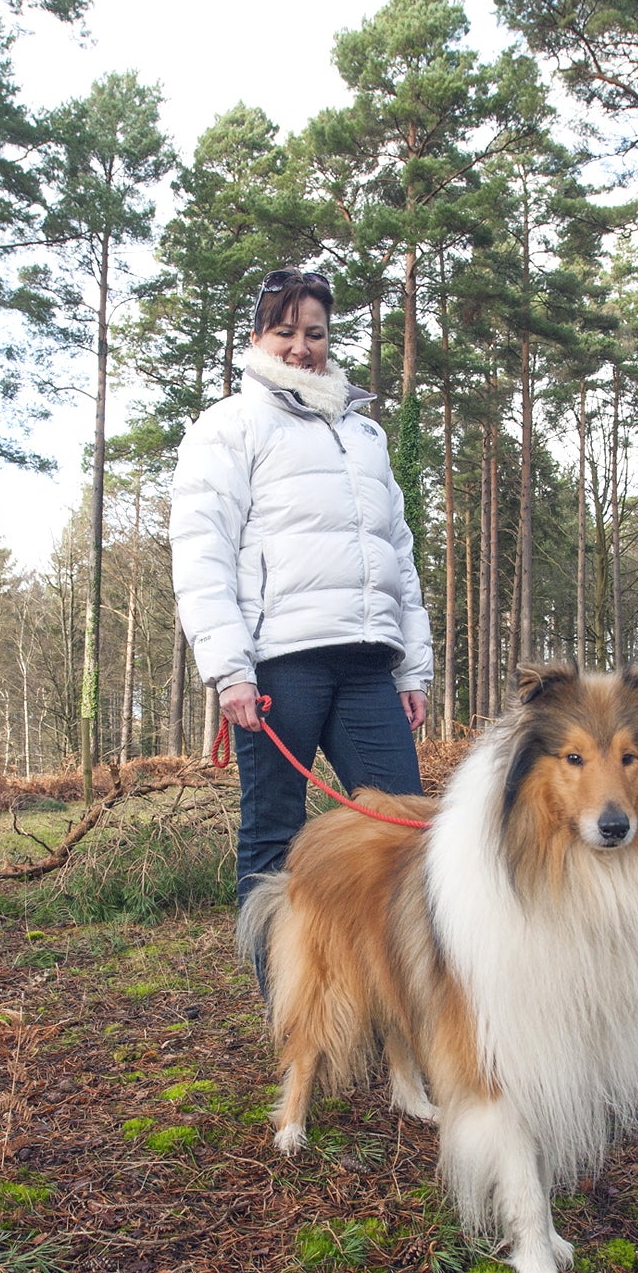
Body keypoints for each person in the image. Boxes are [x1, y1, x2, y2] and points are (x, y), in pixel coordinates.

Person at [170, 267, 432, 924]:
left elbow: (396, 552)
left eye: (313, 333)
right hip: (279, 668)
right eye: (284, 331)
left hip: (369, 665)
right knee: (274, 838)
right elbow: (203, 551)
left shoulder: (364, 435)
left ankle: (390, 1002)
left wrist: (411, 667)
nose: (300, 346)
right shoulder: (228, 425)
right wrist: (230, 669)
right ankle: (288, 1010)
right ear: (258, 336)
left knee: (405, 831)